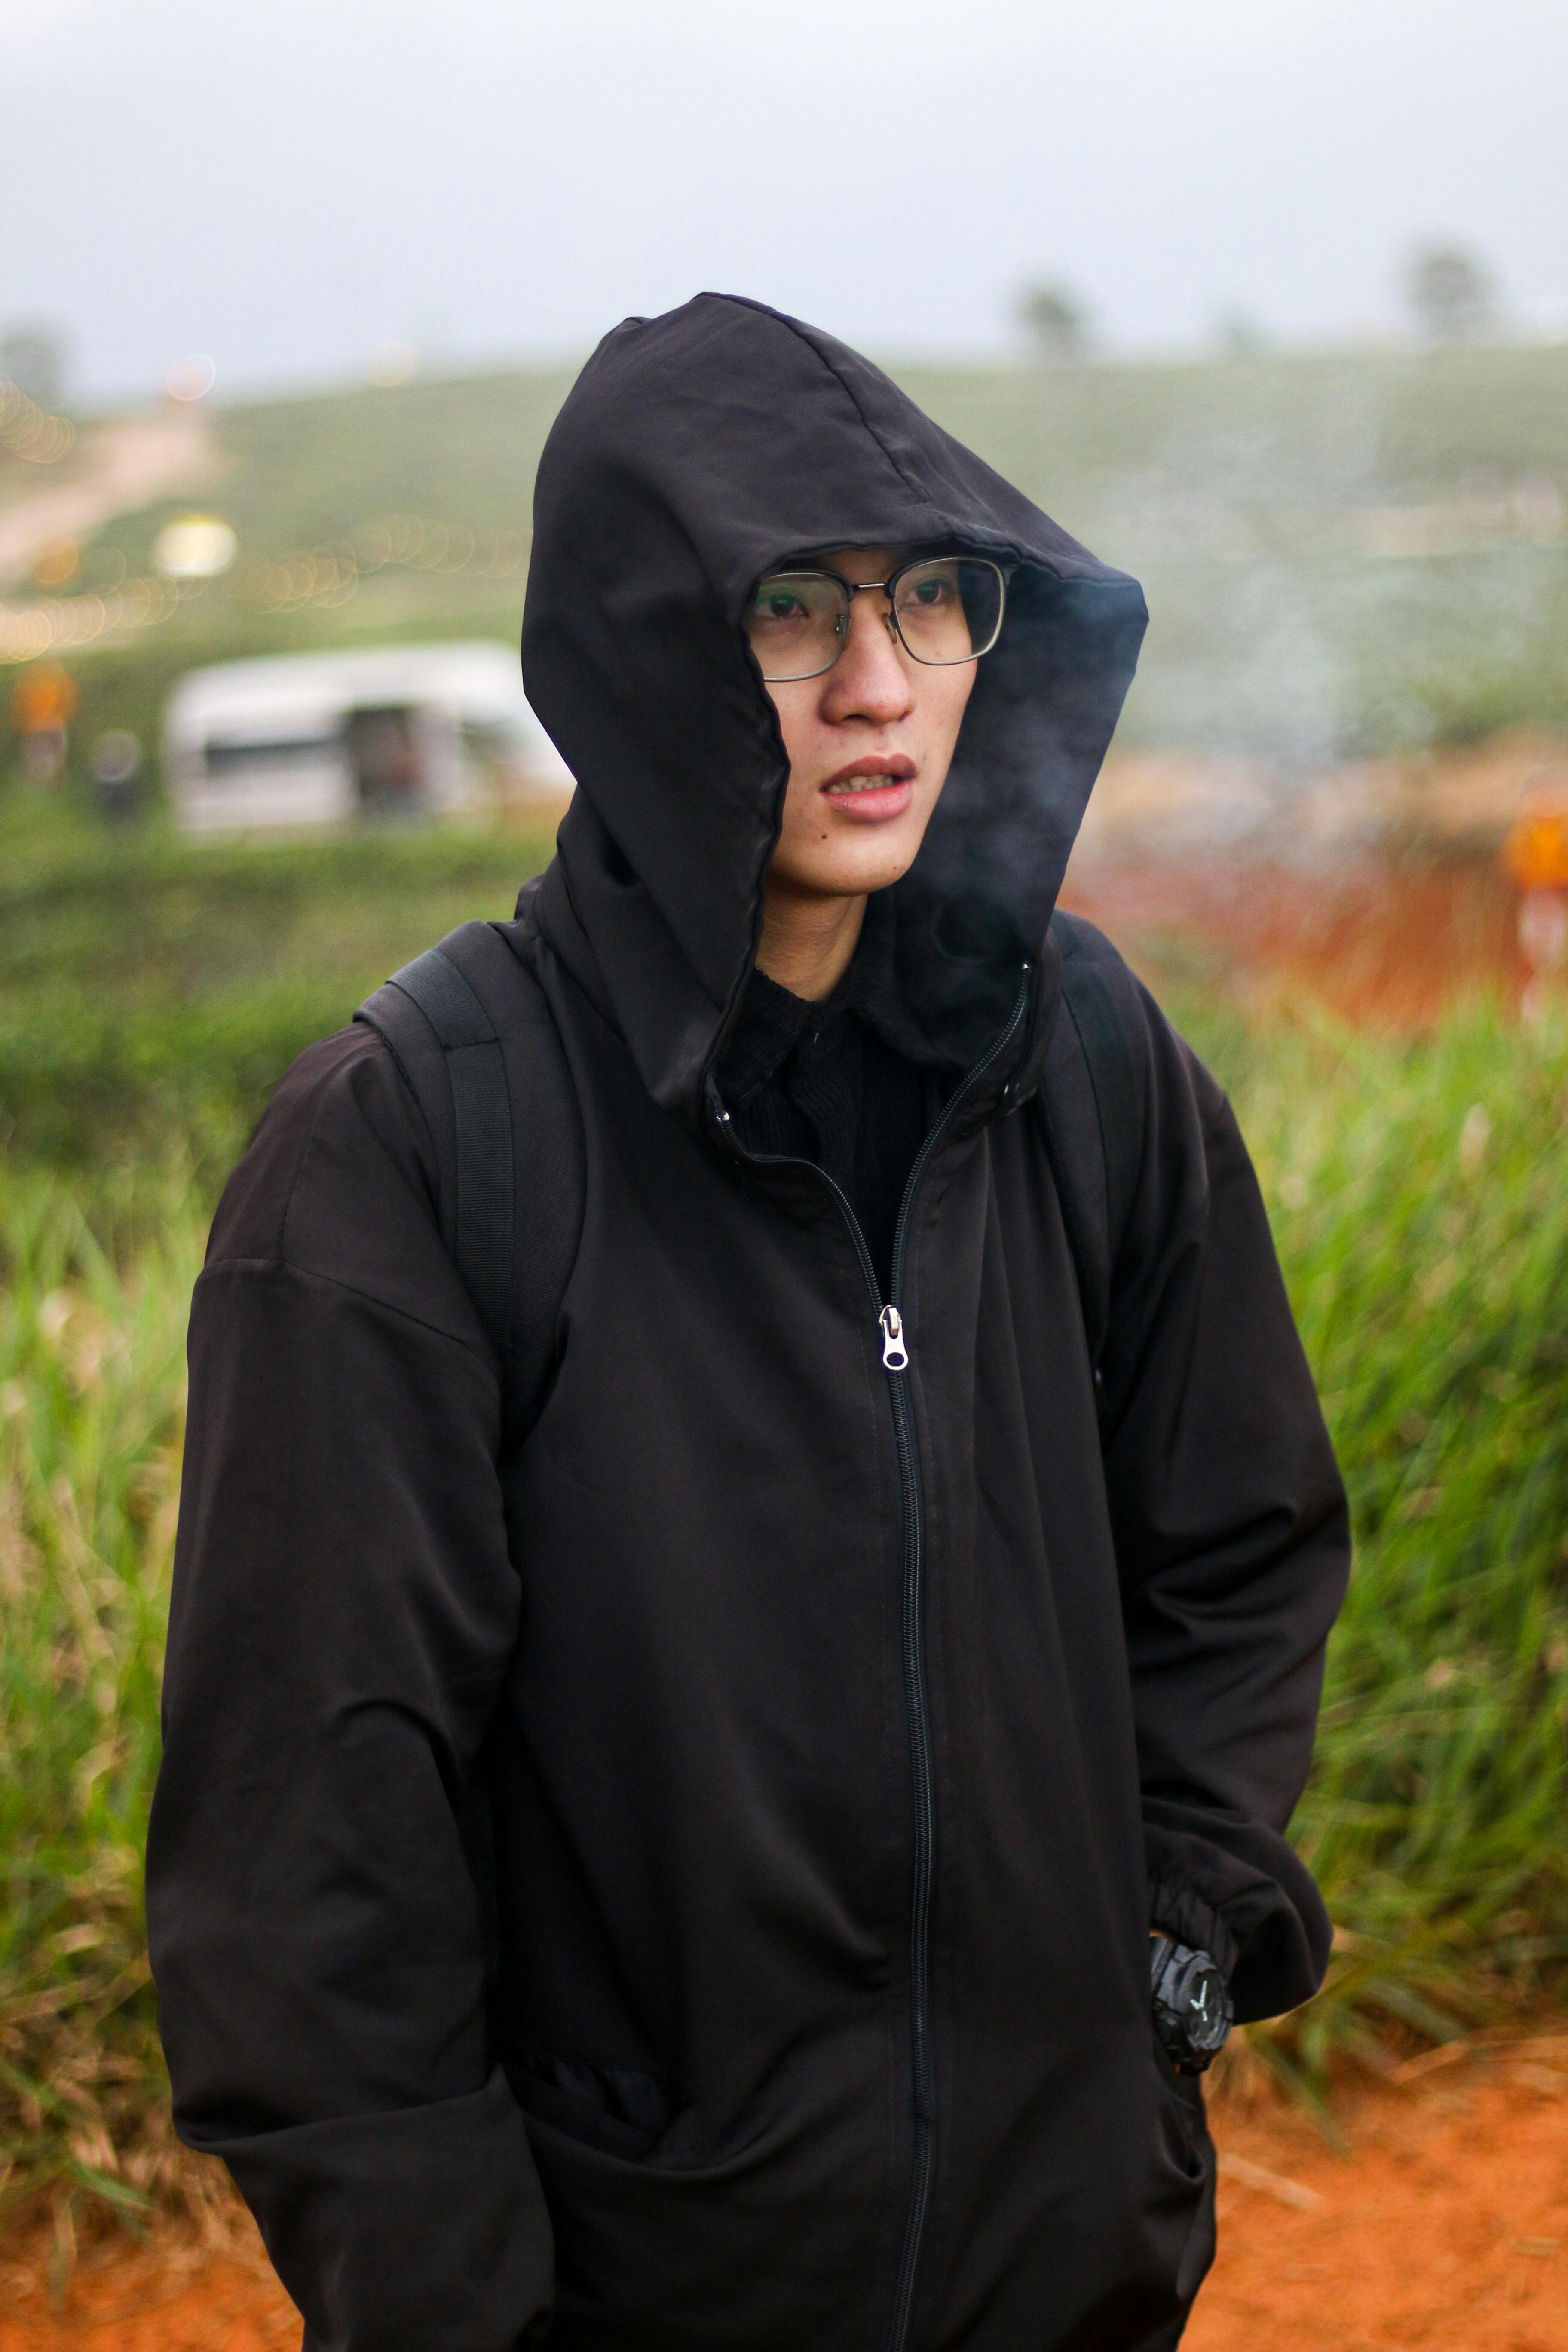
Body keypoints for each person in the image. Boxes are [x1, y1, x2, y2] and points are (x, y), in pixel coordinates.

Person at [147, 295, 1349, 2352]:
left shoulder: (1080, 1060)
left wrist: (1174, 1947)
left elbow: (1238, 1544)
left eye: (933, 604)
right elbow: (312, 1865)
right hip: (643, 2283)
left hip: (1070, 2271)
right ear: (639, 651)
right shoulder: (420, 1150)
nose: (879, 689)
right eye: (792, 613)